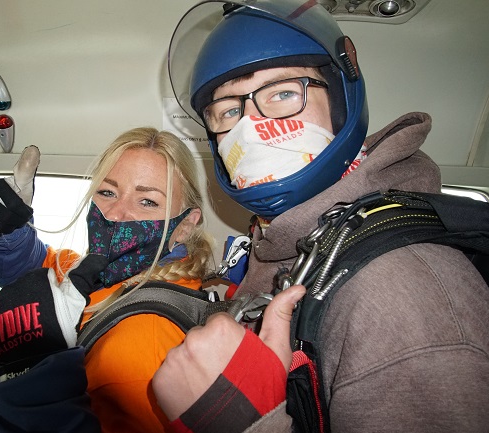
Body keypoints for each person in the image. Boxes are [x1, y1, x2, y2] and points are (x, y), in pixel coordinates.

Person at [152, 1, 489, 432]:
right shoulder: (289, 243)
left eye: (283, 93)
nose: (253, 126)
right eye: (229, 111)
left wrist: (234, 419)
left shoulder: (399, 296)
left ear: (342, 103)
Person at [0, 127, 215, 433]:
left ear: (185, 226)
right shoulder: (107, 273)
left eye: (147, 201)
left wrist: (30, 386)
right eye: (107, 192)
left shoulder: (141, 338)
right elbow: (45, 272)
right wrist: (7, 231)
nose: (116, 214)